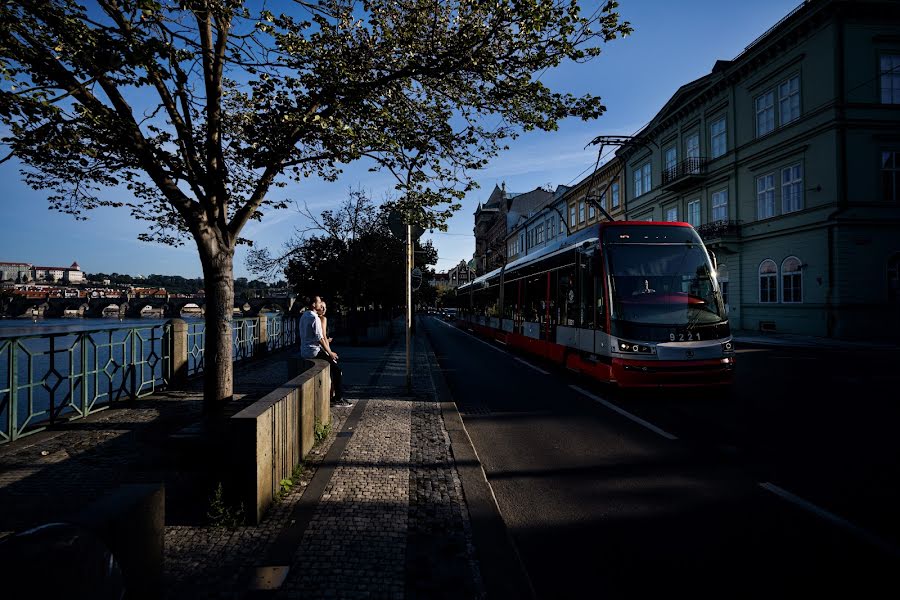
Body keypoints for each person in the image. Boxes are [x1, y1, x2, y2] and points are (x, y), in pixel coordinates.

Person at [299, 295, 348, 406]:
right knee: (337, 370)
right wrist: (330, 353)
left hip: (304, 350)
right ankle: (338, 398)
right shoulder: (314, 317)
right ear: (313, 305)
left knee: (333, 367)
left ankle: (335, 396)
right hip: (313, 351)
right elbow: (320, 338)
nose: (321, 304)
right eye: (319, 302)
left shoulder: (304, 316)